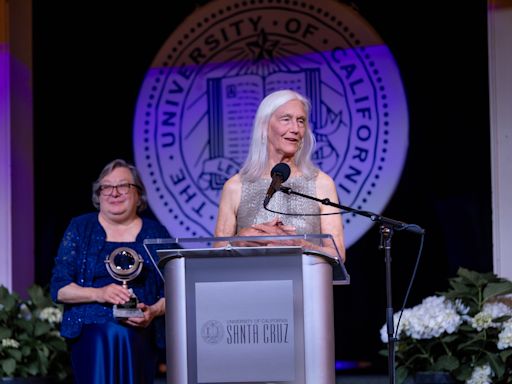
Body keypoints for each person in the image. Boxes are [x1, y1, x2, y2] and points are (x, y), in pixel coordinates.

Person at [50, 159, 170, 384]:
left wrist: (152, 311)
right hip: (90, 327)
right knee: (107, 333)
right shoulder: (80, 227)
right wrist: (99, 293)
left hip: (140, 331)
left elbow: (177, 288)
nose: (114, 193)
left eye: (123, 186)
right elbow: (60, 289)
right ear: (98, 193)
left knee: (126, 335)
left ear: (138, 194)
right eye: (106, 187)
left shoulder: (156, 233)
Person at [214, 89, 346, 262]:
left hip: (306, 285)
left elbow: (338, 254)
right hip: (248, 284)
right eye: (286, 119)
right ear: (264, 126)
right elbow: (217, 252)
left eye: (301, 121)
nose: (295, 129)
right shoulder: (235, 186)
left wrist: (301, 245)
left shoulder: (321, 183)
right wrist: (239, 243)